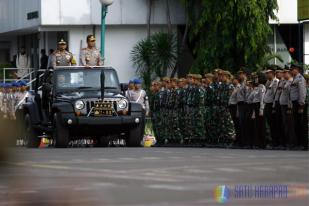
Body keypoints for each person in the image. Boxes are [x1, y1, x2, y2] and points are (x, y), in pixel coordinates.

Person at [290, 64, 307, 150]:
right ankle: (298, 143)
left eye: (292, 69)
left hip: (299, 104)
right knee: (296, 124)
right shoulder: (295, 78)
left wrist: (301, 105)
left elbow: (302, 92)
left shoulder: (300, 78)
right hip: (295, 103)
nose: (291, 71)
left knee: (301, 124)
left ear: (296, 69)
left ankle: (303, 144)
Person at [279, 69, 296, 148]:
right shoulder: (284, 81)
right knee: (285, 124)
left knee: (289, 124)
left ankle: (291, 142)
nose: (283, 74)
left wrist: (289, 107)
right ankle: (287, 142)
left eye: (285, 73)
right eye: (283, 73)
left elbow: (290, 95)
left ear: (289, 74)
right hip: (283, 105)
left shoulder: (290, 81)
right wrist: (282, 80)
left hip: (287, 105)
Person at [263, 68, 279, 147]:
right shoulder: (269, 82)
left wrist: (273, 107)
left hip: (271, 105)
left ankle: (275, 142)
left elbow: (275, 95)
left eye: (267, 73)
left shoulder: (275, 82)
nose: (266, 75)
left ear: (272, 73)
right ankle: (272, 140)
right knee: (269, 124)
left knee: (273, 125)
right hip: (267, 105)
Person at [229, 77, 241, 146]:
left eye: (234, 79)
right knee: (235, 124)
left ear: (237, 80)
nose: (233, 81)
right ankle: (236, 139)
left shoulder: (238, 87)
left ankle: (239, 140)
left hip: (235, 107)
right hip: (232, 106)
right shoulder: (234, 87)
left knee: (237, 124)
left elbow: (237, 100)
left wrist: (237, 110)